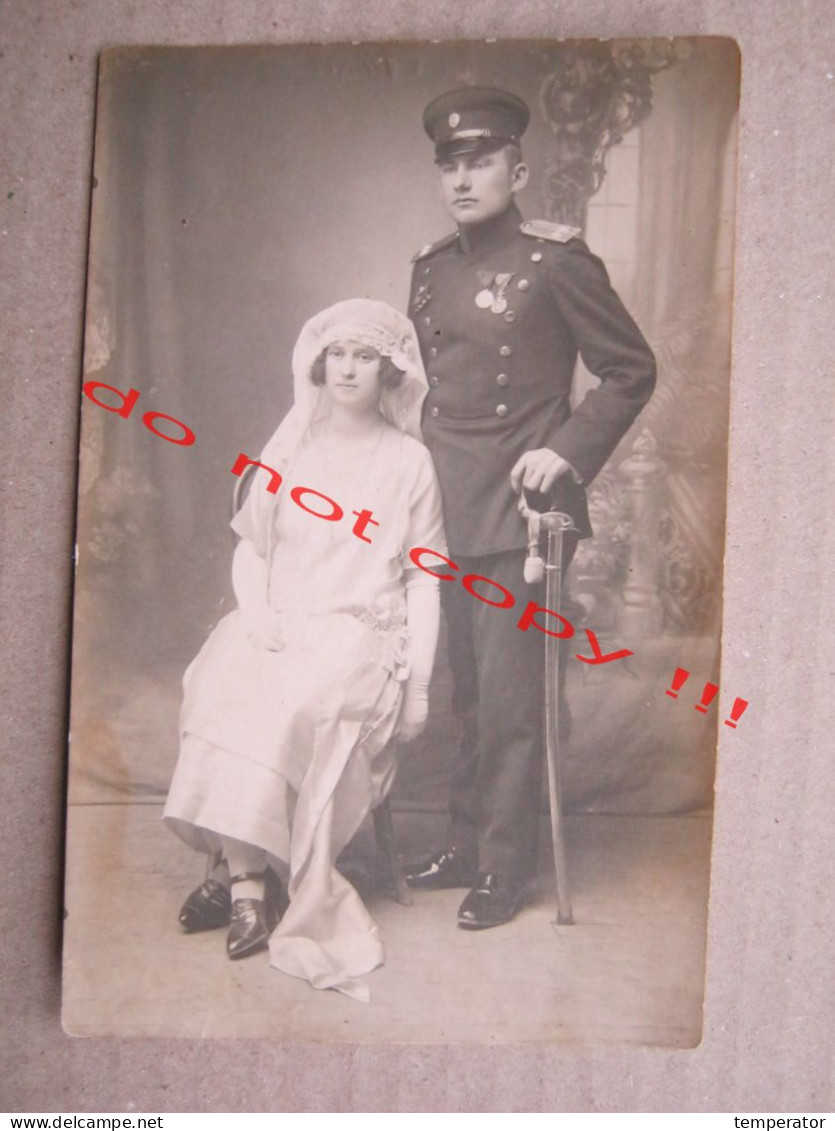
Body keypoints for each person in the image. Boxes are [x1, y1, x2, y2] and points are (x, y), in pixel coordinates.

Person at [404, 86, 657, 929]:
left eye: (478, 163)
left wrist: (568, 453)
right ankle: (467, 843)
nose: (462, 179)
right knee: (466, 691)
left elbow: (629, 368)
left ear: (516, 170)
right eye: (450, 165)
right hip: (444, 504)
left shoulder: (556, 260)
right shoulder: (430, 268)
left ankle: (504, 870)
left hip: (525, 509)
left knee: (513, 699)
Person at [163, 299, 445, 1001]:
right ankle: (249, 883)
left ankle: (237, 877)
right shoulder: (288, 448)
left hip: (360, 636)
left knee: (287, 701)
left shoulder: (409, 462)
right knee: (226, 675)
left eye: (366, 356)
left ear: (389, 369)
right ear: (319, 364)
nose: (348, 369)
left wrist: (418, 689)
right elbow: (251, 548)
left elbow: (425, 580)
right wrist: (256, 615)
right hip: (281, 618)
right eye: (338, 355)